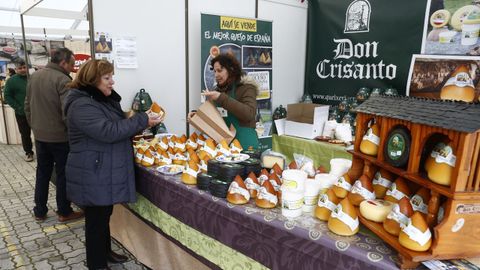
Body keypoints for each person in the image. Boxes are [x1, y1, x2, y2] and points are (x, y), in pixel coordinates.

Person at [63, 59, 163, 270]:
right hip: (93, 170)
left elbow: (116, 126)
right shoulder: (82, 104)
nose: (112, 82)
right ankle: (97, 263)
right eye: (107, 78)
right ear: (92, 80)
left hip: (101, 168)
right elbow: (108, 131)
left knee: (104, 214)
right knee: (96, 221)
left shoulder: (100, 100)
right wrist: (142, 120)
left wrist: (137, 120)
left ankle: (105, 252)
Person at [25, 48, 84, 222]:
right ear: (63, 63)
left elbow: (27, 106)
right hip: (60, 137)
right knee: (63, 174)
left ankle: (40, 211)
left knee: (42, 173)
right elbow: (68, 113)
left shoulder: (35, 76)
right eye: (72, 64)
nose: (73, 68)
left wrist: (35, 127)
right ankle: (64, 211)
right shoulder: (63, 80)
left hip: (40, 136)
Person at [189, 53, 259, 149]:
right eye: (214, 71)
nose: (216, 75)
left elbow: (249, 113)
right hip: (224, 146)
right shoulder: (218, 91)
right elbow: (214, 116)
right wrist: (197, 115)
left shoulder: (246, 87)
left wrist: (221, 98)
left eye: (220, 70)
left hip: (245, 145)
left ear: (231, 70)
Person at [4, 60, 34, 161]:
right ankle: (29, 152)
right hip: (21, 113)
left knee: (40, 133)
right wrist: (18, 107)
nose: (22, 70)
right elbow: (7, 96)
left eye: (24, 67)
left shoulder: (33, 78)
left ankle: (44, 152)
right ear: (16, 69)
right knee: (25, 134)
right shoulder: (11, 81)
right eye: (20, 68)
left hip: (36, 112)